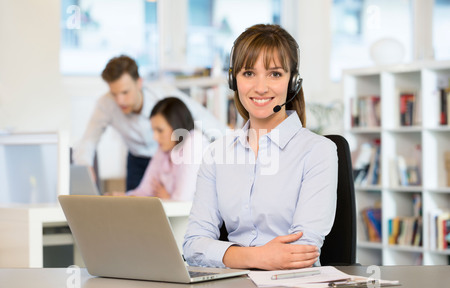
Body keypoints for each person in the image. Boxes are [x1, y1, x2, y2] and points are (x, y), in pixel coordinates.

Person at [183, 24, 338, 270]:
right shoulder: (217, 154)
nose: (261, 87)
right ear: (234, 80)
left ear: (293, 82)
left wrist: (227, 255)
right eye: (248, 73)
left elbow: (301, 251)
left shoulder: (318, 152)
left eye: (275, 74)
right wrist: (258, 257)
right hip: (231, 286)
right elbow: (193, 245)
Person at [72, 55, 224, 191]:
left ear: (139, 83)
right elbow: (88, 140)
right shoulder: (105, 105)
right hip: (136, 159)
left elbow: (200, 116)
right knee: (134, 209)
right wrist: (85, 167)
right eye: (114, 94)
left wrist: (225, 146)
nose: (120, 101)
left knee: (168, 204)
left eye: (125, 92)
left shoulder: (162, 95)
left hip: (166, 158)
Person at [125, 97, 209, 201]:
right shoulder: (165, 149)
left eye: (160, 130)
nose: (154, 137)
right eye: (154, 130)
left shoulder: (195, 142)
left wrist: (167, 197)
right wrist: (122, 198)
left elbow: (182, 201)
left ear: (176, 126)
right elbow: (144, 191)